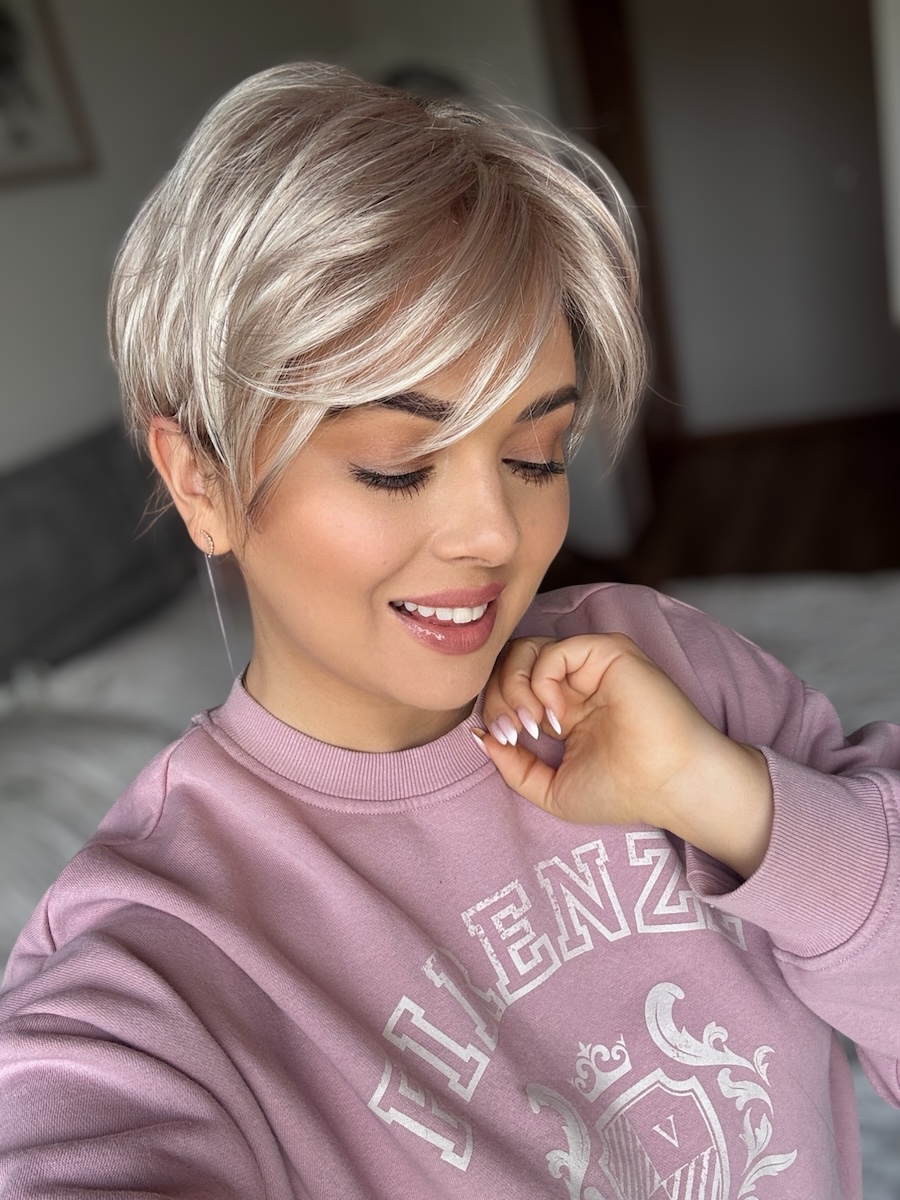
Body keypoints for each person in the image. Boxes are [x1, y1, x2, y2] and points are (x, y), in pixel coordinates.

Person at [0, 61, 898, 1200]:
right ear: (200, 480)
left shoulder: (673, 666)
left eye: (536, 455)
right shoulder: (155, 954)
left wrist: (724, 798)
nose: (495, 535)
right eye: (397, 466)